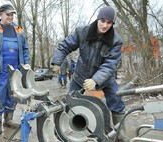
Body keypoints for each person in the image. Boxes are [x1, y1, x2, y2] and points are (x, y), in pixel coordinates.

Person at [51, 6, 128, 141]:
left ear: (112, 24)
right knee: (70, 101)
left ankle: (120, 133)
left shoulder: (116, 40)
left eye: (109, 23)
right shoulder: (82, 31)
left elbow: (110, 64)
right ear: (97, 19)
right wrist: (57, 61)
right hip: (81, 76)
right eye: (102, 21)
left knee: (117, 101)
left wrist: (96, 80)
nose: (105, 25)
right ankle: (62, 131)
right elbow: (65, 45)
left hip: (105, 79)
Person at [0, 4, 30, 135]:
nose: (10, 17)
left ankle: (8, 120)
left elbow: (25, 49)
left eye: (12, 14)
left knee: (12, 94)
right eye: (8, 14)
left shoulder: (19, 30)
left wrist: (26, 65)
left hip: (15, 70)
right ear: (1, 14)